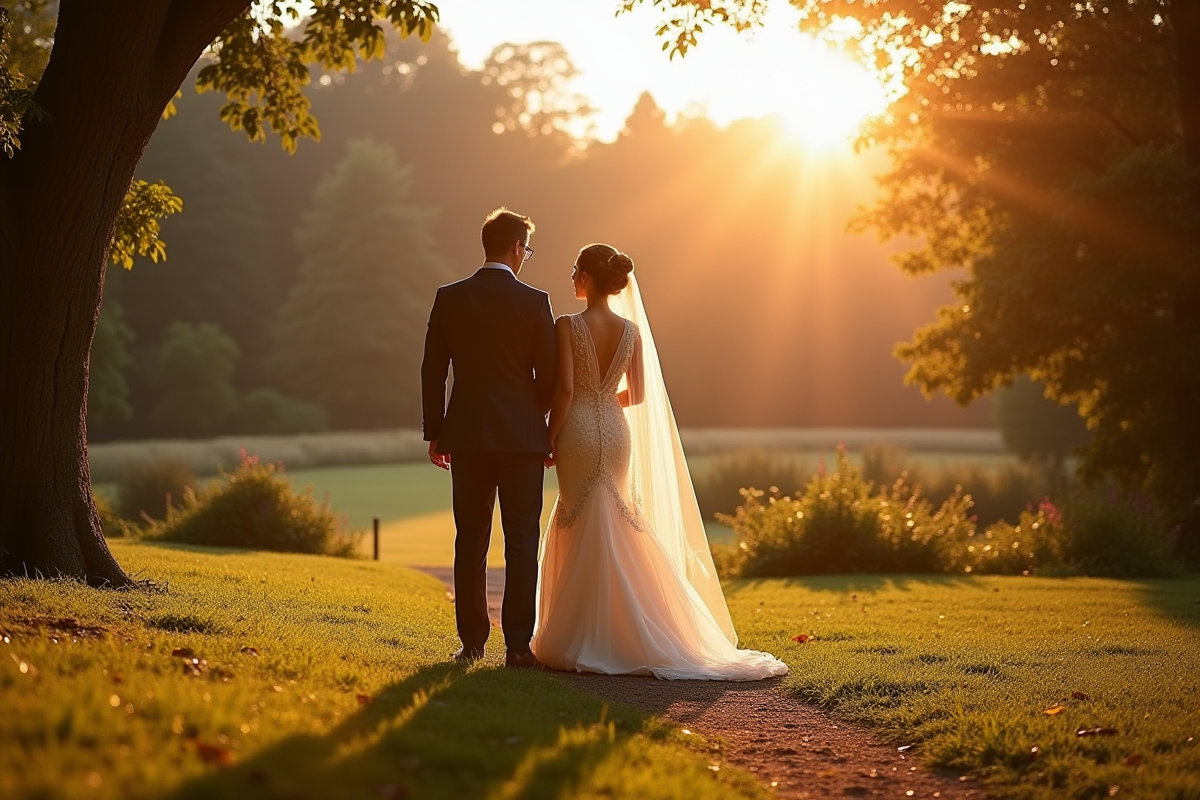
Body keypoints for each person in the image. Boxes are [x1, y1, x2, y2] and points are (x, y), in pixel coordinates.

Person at [531, 243, 788, 680]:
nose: (572, 277)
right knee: (616, 514)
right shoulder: (630, 330)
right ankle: (634, 627)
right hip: (615, 432)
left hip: (576, 430)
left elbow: (566, 392)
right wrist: (605, 402)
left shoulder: (567, 324)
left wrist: (547, 440)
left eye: (576, 270)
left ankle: (587, 631)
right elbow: (642, 396)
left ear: (588, 277)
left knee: (578, 516)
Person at [421, 208, 556, 669]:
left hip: (468, 435)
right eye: (527, 250)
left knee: (470, 538)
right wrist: (528, 415)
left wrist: (435, 432)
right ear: (517, 247)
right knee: (521, 538)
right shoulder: (536, 301)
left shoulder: (449, 297)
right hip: (521, 438)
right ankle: (517, 645)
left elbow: (433, 370)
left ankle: (472, 642)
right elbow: (551, 374)